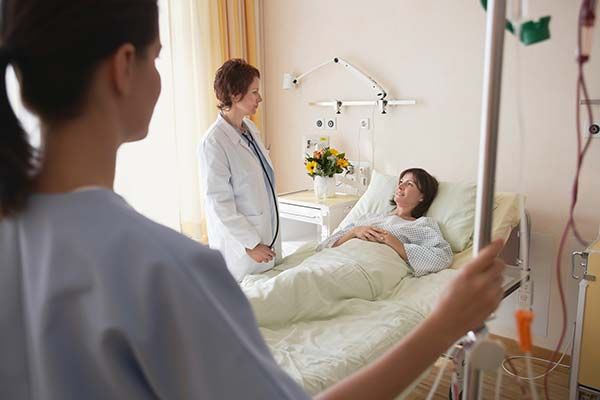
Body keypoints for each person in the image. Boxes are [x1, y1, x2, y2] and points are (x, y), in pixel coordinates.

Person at [0, 1, 506, 399]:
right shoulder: (167, 269)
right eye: (158, 57)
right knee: (288, 288)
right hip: (329, 255)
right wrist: (444, 324)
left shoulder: (18, 236)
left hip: (368, 268)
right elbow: (229, 205)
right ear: (122, 66)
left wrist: (388, 247)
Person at [198, 59, 280, 281]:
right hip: (242, 251)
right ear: (235, 95)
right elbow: (219, 203)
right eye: (254, 92)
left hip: (266, 238)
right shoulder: (214, 142)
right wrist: (251, 244)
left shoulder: (250, 129)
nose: (259, 98)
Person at [318, 168, 453, 276]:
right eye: (401, 181)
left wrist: (395, 244)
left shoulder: (422, 224)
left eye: (410, 184)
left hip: (369, 268)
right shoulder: (369, 217)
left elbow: (442, 258)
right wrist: (354, 231)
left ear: (422, 196)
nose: (400, 186)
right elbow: (325, 246)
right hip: (337, 258)